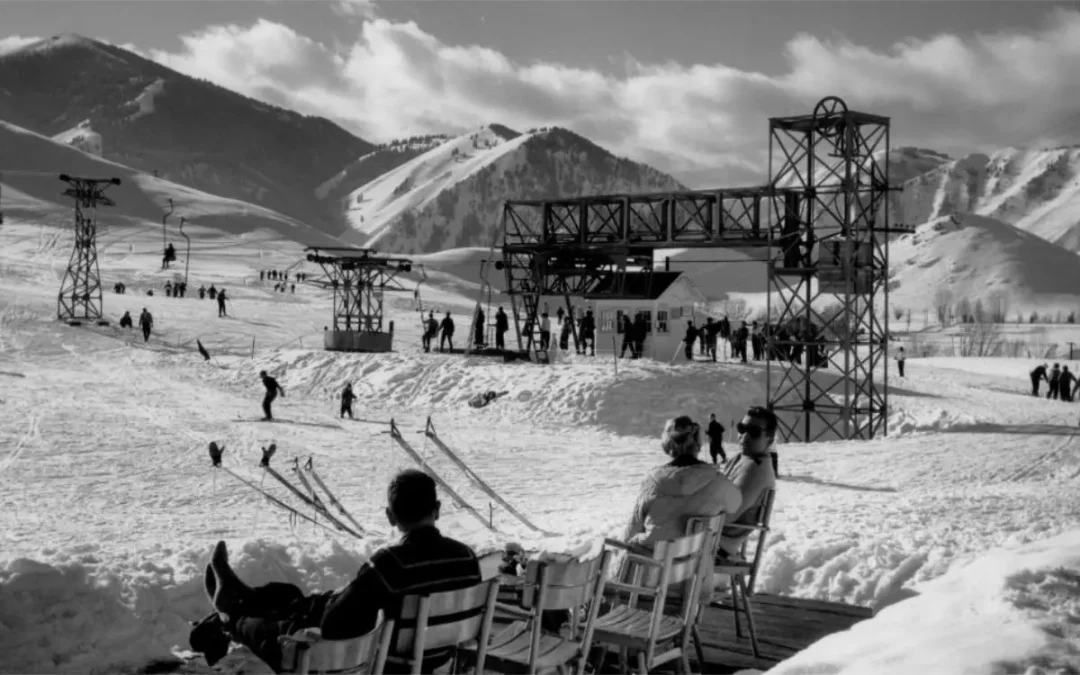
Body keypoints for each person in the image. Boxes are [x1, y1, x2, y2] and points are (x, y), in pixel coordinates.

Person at [194, 470, 482, 673]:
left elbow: (333, 626)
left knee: (282, 628)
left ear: (390, 517)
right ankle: (245, 599)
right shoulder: (467, 559)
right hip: (435, 659)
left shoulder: (390, 564)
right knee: (305, 599)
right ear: (438, 509)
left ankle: (232, 617)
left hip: (382, 662)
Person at [620, 415, 741, 600]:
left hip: (645, 583)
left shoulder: (652, 481)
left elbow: (630, 532)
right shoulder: (717, 482)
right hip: (694, 584)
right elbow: (735, 504)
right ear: (699, 444)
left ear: (668, 444)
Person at [718, 406, 779, 560]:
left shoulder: (754, 471)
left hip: (717, 546)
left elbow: (727, 515)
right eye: (742, 428)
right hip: (711, 538)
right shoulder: (743, 458)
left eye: (754, 432)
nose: (744, 437)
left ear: (769, 440)